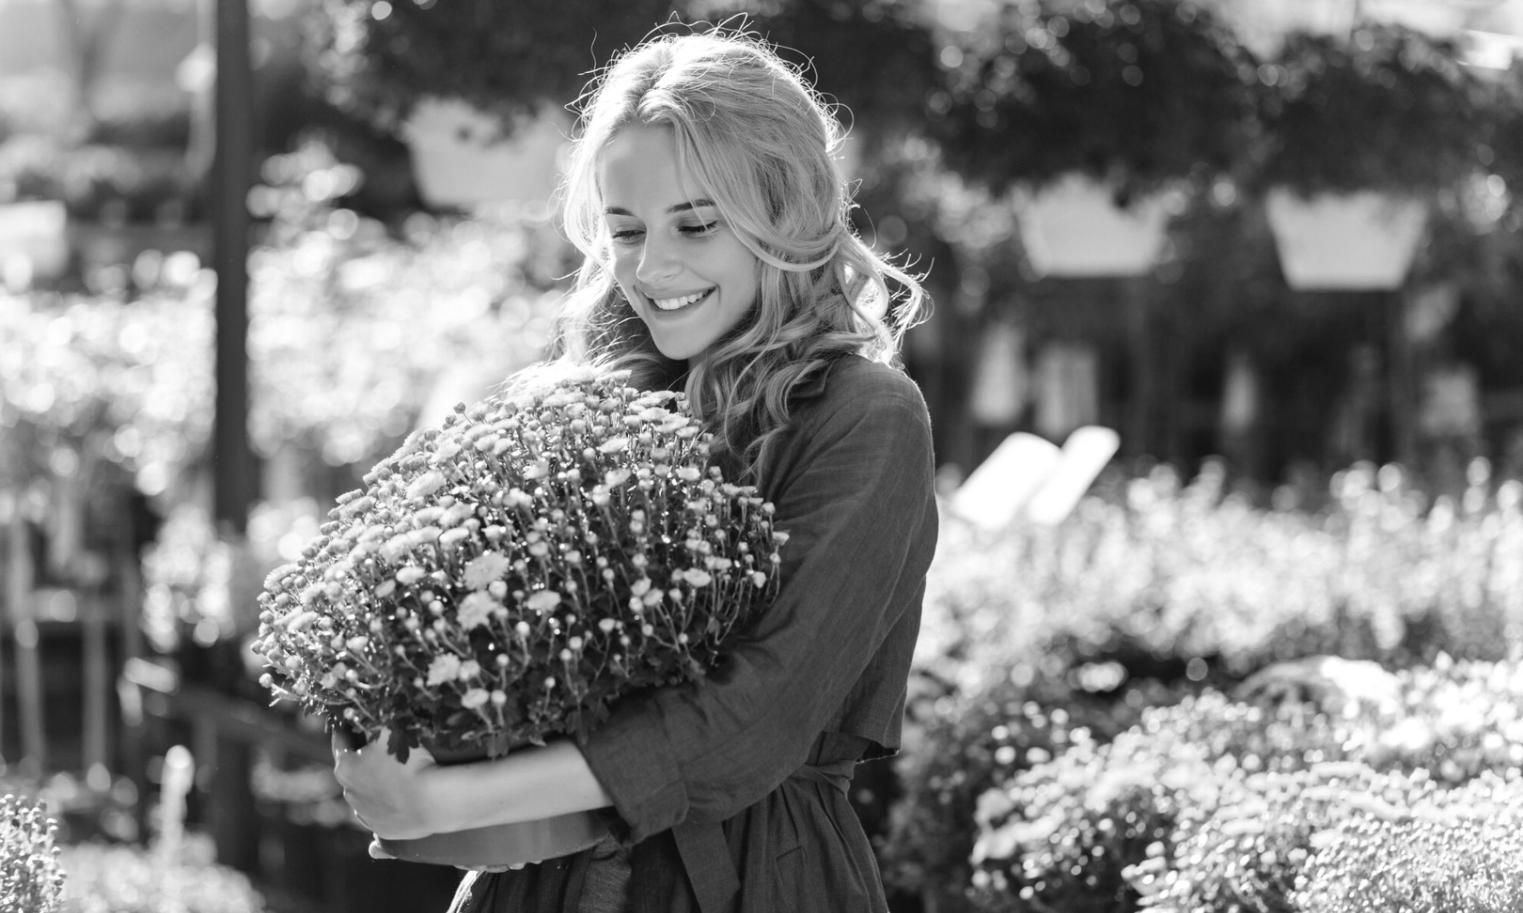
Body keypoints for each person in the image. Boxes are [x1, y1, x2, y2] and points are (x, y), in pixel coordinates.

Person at [331, 24, 939, 913]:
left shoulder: (864, 417)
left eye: (695, 223)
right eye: (625, 228)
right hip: (540, 883)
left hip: (749, 882)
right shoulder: (584, 403)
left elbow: (758, 717)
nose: (653, 265)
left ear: (787, 213)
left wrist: (445, 798)